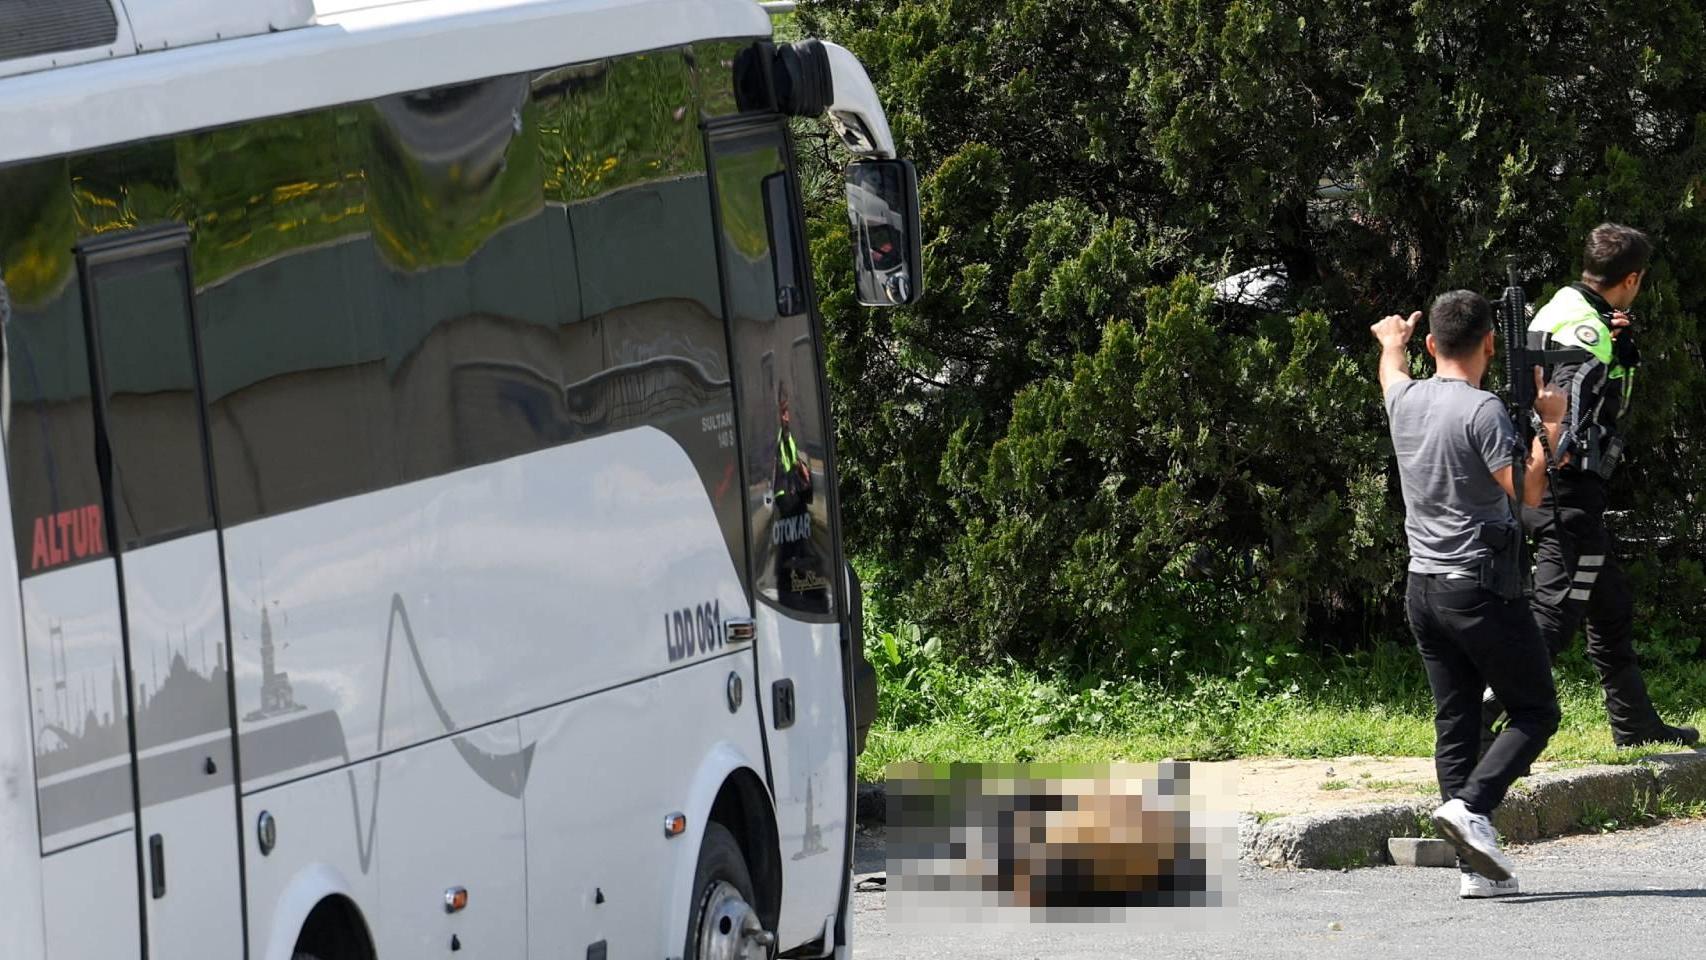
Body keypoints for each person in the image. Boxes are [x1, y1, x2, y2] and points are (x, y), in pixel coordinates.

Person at [1373, 291, 1565, 898]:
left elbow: (1391, 370)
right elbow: (1526, 495)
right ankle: (1473, 807)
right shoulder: (1483, 412)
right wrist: (1552, 422)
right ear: (1490, 344)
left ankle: (1473, 872)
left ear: (1432, 345)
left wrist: (1391, 342)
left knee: (1456, 720)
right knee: (1536, 711)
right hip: (1478, 587)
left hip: (1423, 588)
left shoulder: (1404, 399)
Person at [1482, 224, 1698, 752]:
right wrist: (1569, 448)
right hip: (1566, 490)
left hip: (1555, 486)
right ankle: (1483, 711)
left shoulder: (1564, 307)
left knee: (1610, 604)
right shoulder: (1586, 329)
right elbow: (1566, 396)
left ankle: (1635, 722)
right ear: (1632, 278)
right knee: (1555, 612)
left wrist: (1620, 347)